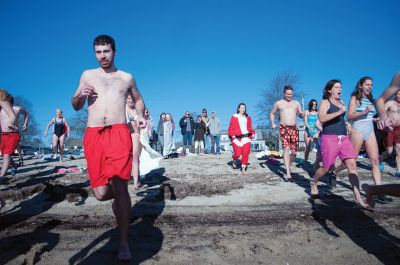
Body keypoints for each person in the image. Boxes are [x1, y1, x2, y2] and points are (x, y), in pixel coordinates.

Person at [71, 35, 145, 261]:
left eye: (106, 51)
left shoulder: (126, 77)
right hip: (93, 135)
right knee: (101, 193)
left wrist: (140, 115)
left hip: (118, 132)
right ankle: (121, 199)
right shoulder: (87, 75)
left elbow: (139, 99)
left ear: (115, 51)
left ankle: (123, 242)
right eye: (98, 52)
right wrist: (80, 96)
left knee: (120, 187)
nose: (102, 56)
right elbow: (75, 105)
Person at [310, 80, 369, 208]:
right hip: (329, 137)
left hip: (344, 138)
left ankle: (358, 197)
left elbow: (342, 120)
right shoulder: (325, 102)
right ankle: (314, 182)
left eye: (341, 87)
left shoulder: (341, 103)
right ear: (330, 90)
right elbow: (322, 118)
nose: (340, 89)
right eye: (336, 87)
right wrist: (339, 112)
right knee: (326, 167)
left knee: (352, 164)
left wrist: (350, 128)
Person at [270, 85, 303, 181]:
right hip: (283, 128)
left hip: (294, 128)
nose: (289, 96)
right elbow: (272, 113)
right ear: (284, 94)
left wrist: (304, 115)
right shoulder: (279, 103)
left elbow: (300, 114)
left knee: (294, 152)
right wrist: (272, 123)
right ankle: (288, 172)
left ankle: (287, 165)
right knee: (286, 148)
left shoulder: (296, 103)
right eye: (288, 94)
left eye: (291, 94)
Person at [0, 89, 17, 211]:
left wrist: (10, 123)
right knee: (6, 155)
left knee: (7, 155)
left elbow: (12, 115)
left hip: (11, 133)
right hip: (4, 135)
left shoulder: (1, 96)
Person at [2, 96, 29, 168]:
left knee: (16, 146)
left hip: (14, 131)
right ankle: (13, 164)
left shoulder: (17, 109)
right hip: (4, 132)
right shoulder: (2, 110)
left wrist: (25, 124)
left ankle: (20, 158)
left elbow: (26, 114)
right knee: (4, 149)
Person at [228, 103, 255, 173]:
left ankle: (243, 167)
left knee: (246, 152)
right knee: (237, 153)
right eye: (242, 108)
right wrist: (232, 135)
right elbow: (231, 128)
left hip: (246, 138)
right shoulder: (234, 117)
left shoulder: (248, 117)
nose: (243, 109)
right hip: (237, 138)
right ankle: (234, 159)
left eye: (244, 108)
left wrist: (252, 133)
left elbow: (249, 127)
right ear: (238, 109)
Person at [379, 90, 400, 176]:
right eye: (399, 94)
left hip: (399, 129)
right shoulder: (390, 103)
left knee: (399, 150)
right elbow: (382, 111)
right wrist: (385, 120)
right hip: (389, 129)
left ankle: (398, 171)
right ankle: (380, 159)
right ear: (395, 94)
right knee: (389, 151)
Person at [126, 95, 142, 189]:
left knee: (135, 157)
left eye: (132, 98)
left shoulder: (137, 109)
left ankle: (136, 182)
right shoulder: (122, 108)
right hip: (125, 135)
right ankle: (127, 177)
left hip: (136, 135)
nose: (130, 100)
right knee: (126, 157)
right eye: (128, 98)